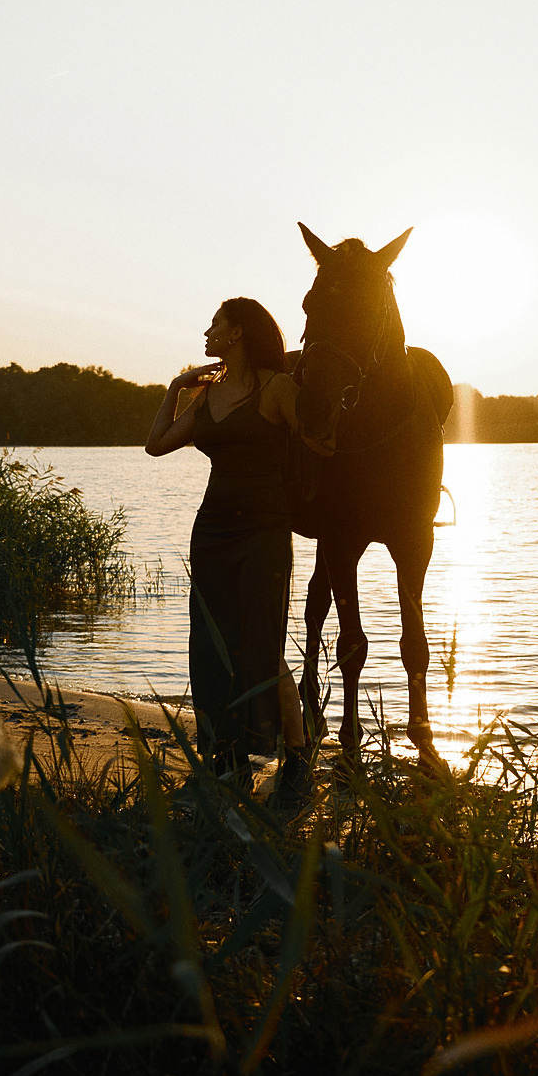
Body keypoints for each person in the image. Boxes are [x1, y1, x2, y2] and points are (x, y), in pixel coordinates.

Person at [146, 297, 312, 794]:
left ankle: (298, 756)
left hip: (264, 527)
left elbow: (318, 445)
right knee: (213, 646)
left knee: (263, 641)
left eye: (215, 324)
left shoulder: (278, 387)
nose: (207, 331)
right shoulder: (208, 395)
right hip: (213, 529)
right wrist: (177, 386)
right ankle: (228, 756)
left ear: (237, 333)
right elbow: (156, 444)